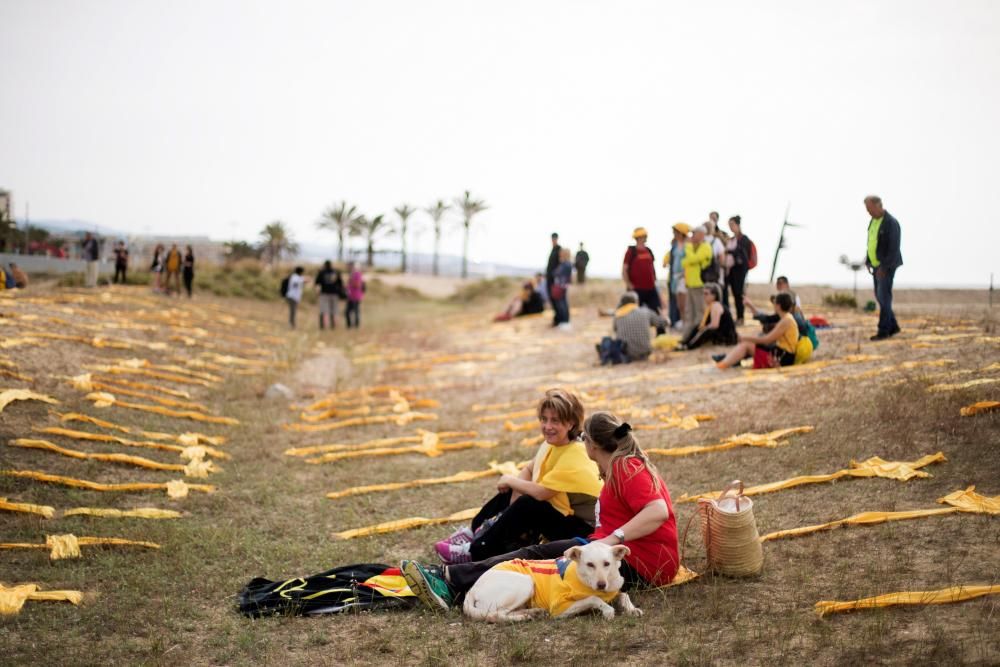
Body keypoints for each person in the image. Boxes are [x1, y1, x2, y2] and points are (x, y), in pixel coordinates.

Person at [402, 410, 680, 611]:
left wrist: (612, 540)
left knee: (533, 557)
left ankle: (450, 579)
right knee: (535, 555)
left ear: (593, 444)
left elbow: (658, 511)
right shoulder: (618, 465)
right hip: (613, 551)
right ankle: (456, 580)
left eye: (583, 437)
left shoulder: (626, 467)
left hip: (642, 564)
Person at [433, 389, 602, 565]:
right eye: (544, 419)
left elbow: (542, 493)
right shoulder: (555, 444)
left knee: (529, 503)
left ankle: (475, 551)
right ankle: (474, 532)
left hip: (587, 533)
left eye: (555, 420)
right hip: (565, 517)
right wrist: (514, 489)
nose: (547, 426)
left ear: (571, 423)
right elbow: (529, 469)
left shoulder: (576, 453)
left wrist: (511, 481)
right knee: (514, 491)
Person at [714, 292, 799, 369]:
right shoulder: (786, 318)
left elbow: (767, 340)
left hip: (782, 357)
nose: (773, 305)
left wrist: (746, 338)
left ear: (778, 306)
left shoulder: (786, 320)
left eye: (774, 303)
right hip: (781, 353)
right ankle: (728, 361)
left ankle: (723, 365)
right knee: (751, 341)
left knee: (746, 344)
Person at [864, 195, 903, 340]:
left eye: (869, 208)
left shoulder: (891, 223)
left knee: (884, 297)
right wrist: (868, 260)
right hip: (875, 266)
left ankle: (883, 331)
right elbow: (871, 243)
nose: (868, 211)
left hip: (886, 267)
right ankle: (893, 326)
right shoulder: (873, 222)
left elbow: (893, 248)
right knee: (880, 297)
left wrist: (884, 268)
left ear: (877, 205)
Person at [607, 291, 669, 362]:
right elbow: (662, 323)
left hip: (626, 353)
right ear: (636, 301)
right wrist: (665, 318)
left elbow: (615, 330)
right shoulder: (645, 311)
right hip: (645, 351)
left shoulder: (618, 315)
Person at [677, 283, 738, 350]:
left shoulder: (716, 305)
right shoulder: (711, 306)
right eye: (703, 293)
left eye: (706, 294)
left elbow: (715, 325)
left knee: (705, 330)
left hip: (727, 338)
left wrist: (704, 328)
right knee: (698, 327)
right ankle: (686, 343)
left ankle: (689, 346)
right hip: (723, 334)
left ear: (714, 295)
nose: (704, 296)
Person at [680, 226, 714, 341]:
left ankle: (696, 338)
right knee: (689, 313)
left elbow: (693, 259)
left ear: (701, 234)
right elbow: (684, 263)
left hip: (699, 285)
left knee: (699, 314)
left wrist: (688, 248)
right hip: (690, 284)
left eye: (694, 233)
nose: (692, 236)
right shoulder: (694, 247)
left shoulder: (705, 247)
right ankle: (686, 337)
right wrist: (690, 259)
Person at [622, 227, 661, 315]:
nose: (644, 238)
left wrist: (655, 281)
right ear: (637, 238)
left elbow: (652, 268)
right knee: (633, 312)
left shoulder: (648, 250)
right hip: (636, 288)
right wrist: (629, 284)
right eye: (641, 236)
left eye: (644, 236)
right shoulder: (631, 251)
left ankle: (661, 328)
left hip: (650, 287)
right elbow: (624, 269)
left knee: (657, 311)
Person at [725, 216, 753, 324]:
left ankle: (741, 317)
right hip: (732, 271)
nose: (731, 227)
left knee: (739, 294)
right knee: (734, 293)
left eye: (732, 225)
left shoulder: (744, 239)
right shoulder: (732, 239)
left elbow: (743, 256)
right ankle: (738, 317)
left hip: (740, 271)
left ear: (737, 225)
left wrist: (730, 252)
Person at [663, 223, 690, 329]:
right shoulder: (674, 246)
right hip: (674, 277)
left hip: (684, 277)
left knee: (684, 303)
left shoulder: (687, 245)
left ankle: (686, 323)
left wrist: (685, 273)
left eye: (676, 232)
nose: (674, 234)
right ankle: (679, 322)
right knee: (678, 303)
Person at [315, 260, 345, 330]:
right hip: (334, 294)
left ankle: (324, 326)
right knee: (334, 311)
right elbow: (341, 284)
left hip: (324, 294)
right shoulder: (336, 272)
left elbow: (316, 283)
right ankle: (334, 326)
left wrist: (317, 293)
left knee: (324, 311)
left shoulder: (321, 272)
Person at [551, 248, 573, 328]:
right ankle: (565, 321)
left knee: (562, 304)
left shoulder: (565, 264)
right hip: (563, 286)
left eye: (561, 253)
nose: (560, 254)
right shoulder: (567, 263)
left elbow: (556, 273)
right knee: (563, 303)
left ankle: (565, 322)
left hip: (561, 286)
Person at [545, 233, 561, 325]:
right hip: (549, 278)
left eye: (555, 238)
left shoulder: (558, 249)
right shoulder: (553, 249)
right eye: (552, 238)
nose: (553, 240)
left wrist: (555, 276)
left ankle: (558, 319)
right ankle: (556, 318)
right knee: (552, 299)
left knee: (555, 299)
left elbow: (560, 264)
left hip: (554, 280)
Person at [345, 262, 364, 329]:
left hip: (355, 296)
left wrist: (351, 281)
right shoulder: (352, 274)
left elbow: (358, 285)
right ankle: (349, 326)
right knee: (348, 312)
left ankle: (356, 326)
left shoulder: (357, 274)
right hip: (350, 296)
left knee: (355, 311)